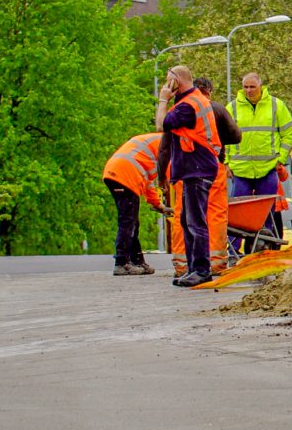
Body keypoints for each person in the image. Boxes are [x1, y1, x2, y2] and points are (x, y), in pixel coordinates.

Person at [158, 66, 223, 286]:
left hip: (197, 169)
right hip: (194, 169)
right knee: (188, 221)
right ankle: (194, 268)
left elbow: (161, 125)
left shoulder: (187, 106)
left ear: (178, 81)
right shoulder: (192, 100)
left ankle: (202, 270)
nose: (167, 86)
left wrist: (162, 100)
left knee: (195, 222)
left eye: (169, 81)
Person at [227, 70, 292, 224]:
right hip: (240, 170)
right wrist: (226, 163)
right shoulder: (232, 108)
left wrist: (280, 158)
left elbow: (289, 131)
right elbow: (223, 137)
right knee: (237, 216)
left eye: (252, 87)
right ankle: (234, 247)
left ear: (261, 86)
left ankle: (267, 245)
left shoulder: (276, 105)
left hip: (268, 169)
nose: (248, 90)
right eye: (245, 87)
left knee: (267, 215)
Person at [101, 130, 166, 276]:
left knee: (132, 222)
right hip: (126, 175)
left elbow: (148, 181)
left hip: (115, 172)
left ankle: (137, 261)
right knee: (128, 222)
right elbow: (168, 173)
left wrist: (157, 204)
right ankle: (121, 263)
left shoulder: (152, 145)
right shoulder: (168, 143)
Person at [192, 77, 240, 269]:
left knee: (191, 215)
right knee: (216, 213)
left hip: (189, 170)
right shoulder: (216, 109)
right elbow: (236, 135)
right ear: (209, 91)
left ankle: (188, 264)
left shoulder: (183, 108)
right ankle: (217, 262)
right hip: (214, 167)